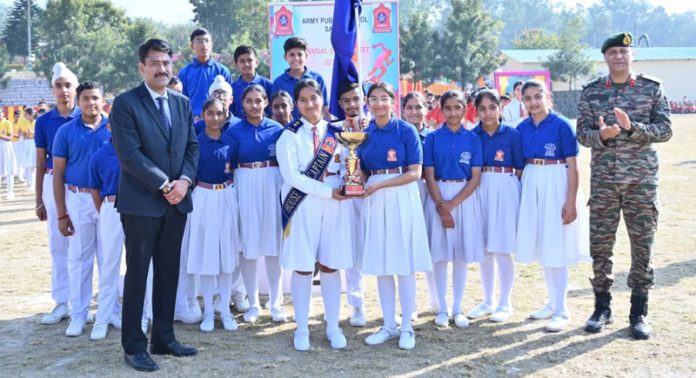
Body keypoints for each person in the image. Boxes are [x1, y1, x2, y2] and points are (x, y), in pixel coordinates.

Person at [110, 38, 199, 372]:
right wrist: (164, 184)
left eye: (166, 63)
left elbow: (192, 147)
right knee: (137, 275)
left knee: (168, 271)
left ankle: (163, 337)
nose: (162, 69)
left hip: (177, 202)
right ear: (142, 67)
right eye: (155, 63)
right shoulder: (125, 104)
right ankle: (134, 345)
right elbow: (129, 154)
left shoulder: (181, 102)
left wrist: (185, 182)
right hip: (142, 204)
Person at [577, 32, 672, 340]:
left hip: (641, 182)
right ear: (605, 57)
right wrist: (600, 137)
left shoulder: (651, 89)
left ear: (632, 56)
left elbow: (665, 130)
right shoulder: (592, 93)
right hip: (604, 181)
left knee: (642, 247)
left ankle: (639, 311)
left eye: (623, 51)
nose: (618, 56)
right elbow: (582, 134)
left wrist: (633, 129)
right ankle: (601, 307)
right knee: (601, 247)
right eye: (612, 52)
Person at [276, 79, 353, 351]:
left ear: (322, 100)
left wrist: (347, 181)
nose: (310, 104)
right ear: (297, 105)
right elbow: (292, 176)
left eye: (315, 98)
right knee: (303, 266)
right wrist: (327, 191)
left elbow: (347, 165)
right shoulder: (289, 135)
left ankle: (332, 326)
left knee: (331, 264)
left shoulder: (338, 132)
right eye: (304, 100)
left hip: (334, 204)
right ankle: (301, 328)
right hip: (303, 205)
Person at [358, 82, 432, 350]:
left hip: (401, 196)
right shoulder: (365, 134)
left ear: (392, 101)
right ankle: (388, 324)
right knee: (382, 264)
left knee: (404, 265)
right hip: (376, 201)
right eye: (373, 99)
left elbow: (415, 172)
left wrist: (381, 185)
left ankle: (407, 328)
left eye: (383, 98)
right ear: (367, 102)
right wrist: (355, 177)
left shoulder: (406, 130)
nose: (378, 103)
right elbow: (364, 171)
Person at [516, 79, 589, 332]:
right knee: (544, 245)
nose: (534, 102)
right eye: (528, 98)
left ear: (548, 96)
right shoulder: (522, 127)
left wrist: (570, 201)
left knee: (557, 246)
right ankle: (551, 302)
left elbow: (573, 165)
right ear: (522, 101)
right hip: (533, 183)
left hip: (556, 183)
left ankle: (562, 309)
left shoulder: (562, 125)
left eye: (538, 96)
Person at [52, 81, 111, 337]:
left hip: (109, 201)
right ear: (78, 100)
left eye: (95, 98)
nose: (91, 103)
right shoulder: (65, 132)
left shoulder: (114, 127)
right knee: (79, 258)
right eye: (86, 98)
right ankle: (78, 313)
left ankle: (108, 312)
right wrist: (62, 213)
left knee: (109, 258)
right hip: (78, 198)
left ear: (103, 99)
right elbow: (58, 174)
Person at [423, 90, 483, 329]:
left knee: (460, 256)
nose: (453, 112)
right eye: (448, 108)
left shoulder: (473, 139)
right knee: (440, 256)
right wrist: (441, 206)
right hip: (438, 195)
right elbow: (428, 174)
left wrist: (453, 204)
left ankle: (458, 307)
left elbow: (475, 177)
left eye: (457, 107)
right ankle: (442, 307)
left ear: (464, 108)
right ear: (441, 109)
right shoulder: (433, 138)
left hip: (463, 198)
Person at [227, 85, 286, 324]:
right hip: (246, 182)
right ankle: (253, 303)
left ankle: (276, 303)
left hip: (272, 182)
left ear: (265, 103)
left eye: (258, 101)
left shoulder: (277, 129)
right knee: (248, 245)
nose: (254, 105)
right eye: (249, 101)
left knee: (273, 245)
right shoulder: (233, 131)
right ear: (242, 104)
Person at [183, 98, 241, 332]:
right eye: (210, 113)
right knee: (207, 257)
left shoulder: (231, 142)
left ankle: (225, 310)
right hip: (203, 197)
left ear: (226, 115)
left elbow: (235, 170)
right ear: (202, 115)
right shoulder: (195, 143)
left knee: (226, 257)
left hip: (226, 196)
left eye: (219, 113)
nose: (215, 118)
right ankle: (208, 311)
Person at [468, 89, 524, 323]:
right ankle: (488, 300)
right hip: (480, 187)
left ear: (501, 107)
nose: (488, 113)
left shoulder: (512, 134)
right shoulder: (473, 135)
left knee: (501, 247)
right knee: (484, 249)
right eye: (482, 108)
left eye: (492, 107)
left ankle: (505, 302)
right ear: (476, 110)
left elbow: (520, 168)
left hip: (505, 186)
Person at [34, 62, 80, 325]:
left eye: (67, 85)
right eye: (58, 86)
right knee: (58, 244)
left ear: (75, 88)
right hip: (54, 184)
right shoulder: (44, 122)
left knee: (82, 246)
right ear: (52, 90)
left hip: (80, 185)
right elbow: (41, 163)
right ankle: (62, 301)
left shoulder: (85, 116)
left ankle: (81, 301)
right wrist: (38, 199)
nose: (63, 91)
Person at [333, 80, 369, 327]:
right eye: (346, 100)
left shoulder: (377, 125)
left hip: (373, 195)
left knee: (380, 249)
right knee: (352, 253)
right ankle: (357, 305)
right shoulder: (332, 129)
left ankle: (392, 306)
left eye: (355, 99)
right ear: (339, 104)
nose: (352, 104)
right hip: (345, 199)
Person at [402, 91, 439, 314]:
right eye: (410, 107)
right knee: (409, 246)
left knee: (430, 246)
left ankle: (436, 300)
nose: (414, 112)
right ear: (403, 110)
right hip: (405, 189)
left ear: (426, 109)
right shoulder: (399, 135)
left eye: (419, 107)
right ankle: (410, 304)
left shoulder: (434, 136)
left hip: (430, 190)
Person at [86, 122, 123, 340]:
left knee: (142, 264)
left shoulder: (138, 150)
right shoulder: (101, 154)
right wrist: (107, 211)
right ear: (110, 126)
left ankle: (144, 315)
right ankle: (103, 316)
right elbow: (95, 189)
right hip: (111, 207)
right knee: (109, 263)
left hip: (137, 209)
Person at [178, 28, 233, 120]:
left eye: (206, 41)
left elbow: (229, 98)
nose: (204, 45)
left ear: (211, 45)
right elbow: (181, 100)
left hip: (218, 120)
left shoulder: (222, 71)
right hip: (193, 121)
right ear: (192, 45)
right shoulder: (184, 73)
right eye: (199, 41)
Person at [271, 37, 330, 120]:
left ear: (306, 55)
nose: (296, 58)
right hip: (290, 129)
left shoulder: (317, 78)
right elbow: (274, 112)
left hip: (314, 128)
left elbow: (325, 107)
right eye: (292, 55)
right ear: (285, 57)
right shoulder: (279, 82)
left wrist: (331, 127)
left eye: (300, 54)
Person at [231, 45, 273, 118]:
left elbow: (272, 110)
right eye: (242, 61)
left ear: (256, 62)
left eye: (250, 60)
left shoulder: (268, 85)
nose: (246, 64)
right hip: (240, 128)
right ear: (236, 65)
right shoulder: (232, 88)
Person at [17, 108, 37, 191]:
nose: (25, 116)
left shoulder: (37, 122)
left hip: (34, 143)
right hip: (26, 143)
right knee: (27, 164)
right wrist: (24, 134)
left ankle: (32, 184)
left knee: (33, 165)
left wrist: (32, 133)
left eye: (26, 115)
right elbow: (21, 133)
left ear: (30, 115)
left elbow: (38, 134)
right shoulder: (24, 122)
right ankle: (29, 183)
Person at [0, 108, 17, 199]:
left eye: (0, 112)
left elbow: (10, 137)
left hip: (6, 147)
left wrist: (1, 136)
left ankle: (10, 192)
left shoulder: (7, 123)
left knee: (9, 169)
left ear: (3, 113)